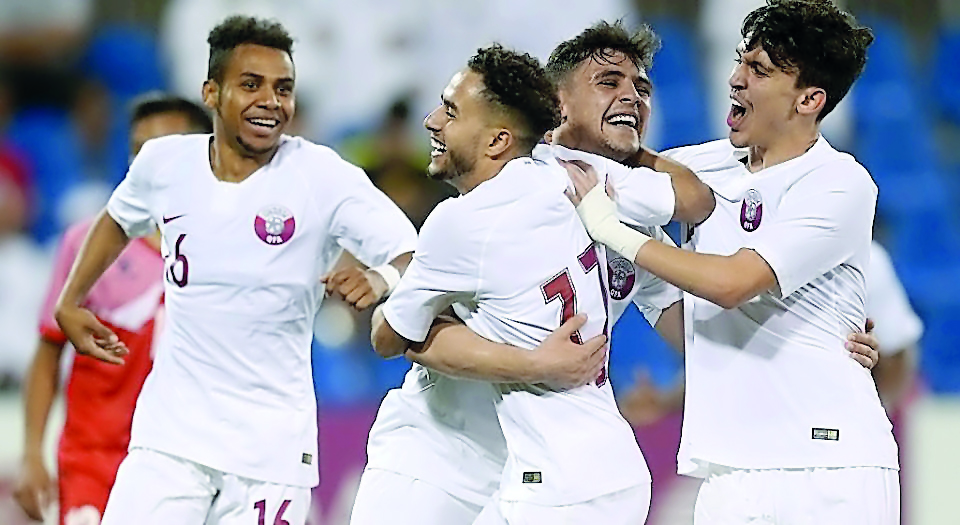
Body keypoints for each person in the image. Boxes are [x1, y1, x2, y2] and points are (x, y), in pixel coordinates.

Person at [53, 16, 417, 525]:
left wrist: (381, 280)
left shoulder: (321, 175)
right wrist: (71, 300)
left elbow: (410, 251)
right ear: (211, 92)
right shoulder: (164, 163)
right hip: (171, 442)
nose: (271, 100)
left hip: (270, 453)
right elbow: (116, 218)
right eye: (251, 84)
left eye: (283, 88)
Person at [563, 1, 898, 522]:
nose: (735, 79)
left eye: (758, 70)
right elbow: (698, 327)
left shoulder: (839, 182)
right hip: (730, 468)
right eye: (741, 61)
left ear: (809, 99)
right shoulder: (703, 167)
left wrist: (611, 231)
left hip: (826, 467)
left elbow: (731, 284)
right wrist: (650, 280)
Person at [367, 44, 656, 524]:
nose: (432, 121)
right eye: (609, 84)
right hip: (494, 455)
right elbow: (692, 197)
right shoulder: (584, 184)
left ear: (499, 139)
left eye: (451, 112)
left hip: (535, 470)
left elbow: (391, 336)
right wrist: (535, 362)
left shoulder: (471, 218)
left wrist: (395, 289)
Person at [12, 94, 211, 525]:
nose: (147, 165)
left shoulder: (226, 251)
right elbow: (49, 352)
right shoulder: (88, 246)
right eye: (138, 151)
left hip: (185, 465)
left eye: (163, 149)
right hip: (95, 465)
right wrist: (31, 453)